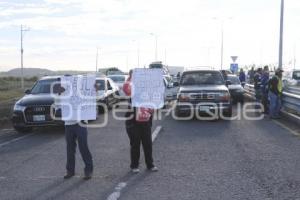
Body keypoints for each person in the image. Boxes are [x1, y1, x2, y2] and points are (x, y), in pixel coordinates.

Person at [53, 78, 94, 180]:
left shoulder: (80, 90)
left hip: (81, 123)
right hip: (69, 124)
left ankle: (88, 170)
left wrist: (93, 90)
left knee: (83, 147)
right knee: (70, 149)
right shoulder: (60, 93)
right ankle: (70, 171)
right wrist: (59, 94)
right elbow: (57, 106)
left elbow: (91, 100)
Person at [123, 70, 158, 173]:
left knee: (148, 144)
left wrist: (152, 109)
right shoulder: (131, 88)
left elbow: (153, 104)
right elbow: (126, 89)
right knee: (135, 144)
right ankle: (134, 166)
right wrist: (130, 77)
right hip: (133, 122)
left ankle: (150, 165)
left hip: (146, 121)